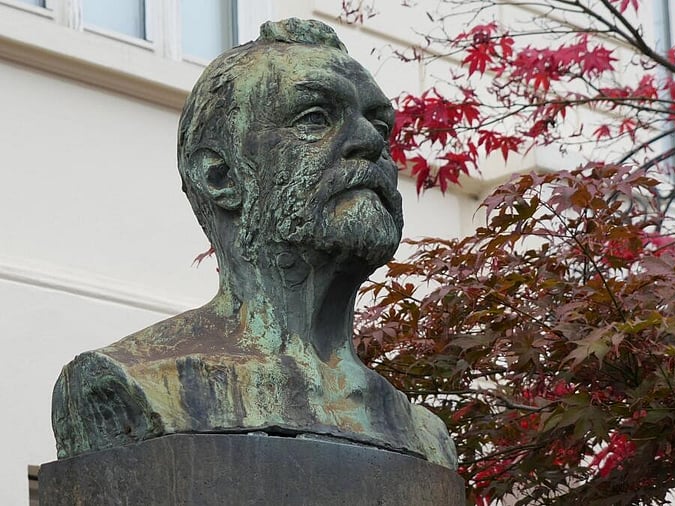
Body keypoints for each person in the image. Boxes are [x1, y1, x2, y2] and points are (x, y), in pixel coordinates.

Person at [51, 18, 456, 470]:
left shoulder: (424, 435)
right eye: (315, 118)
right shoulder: (131, 382)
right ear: (220, 175)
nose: (368, 143)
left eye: (381, 128)